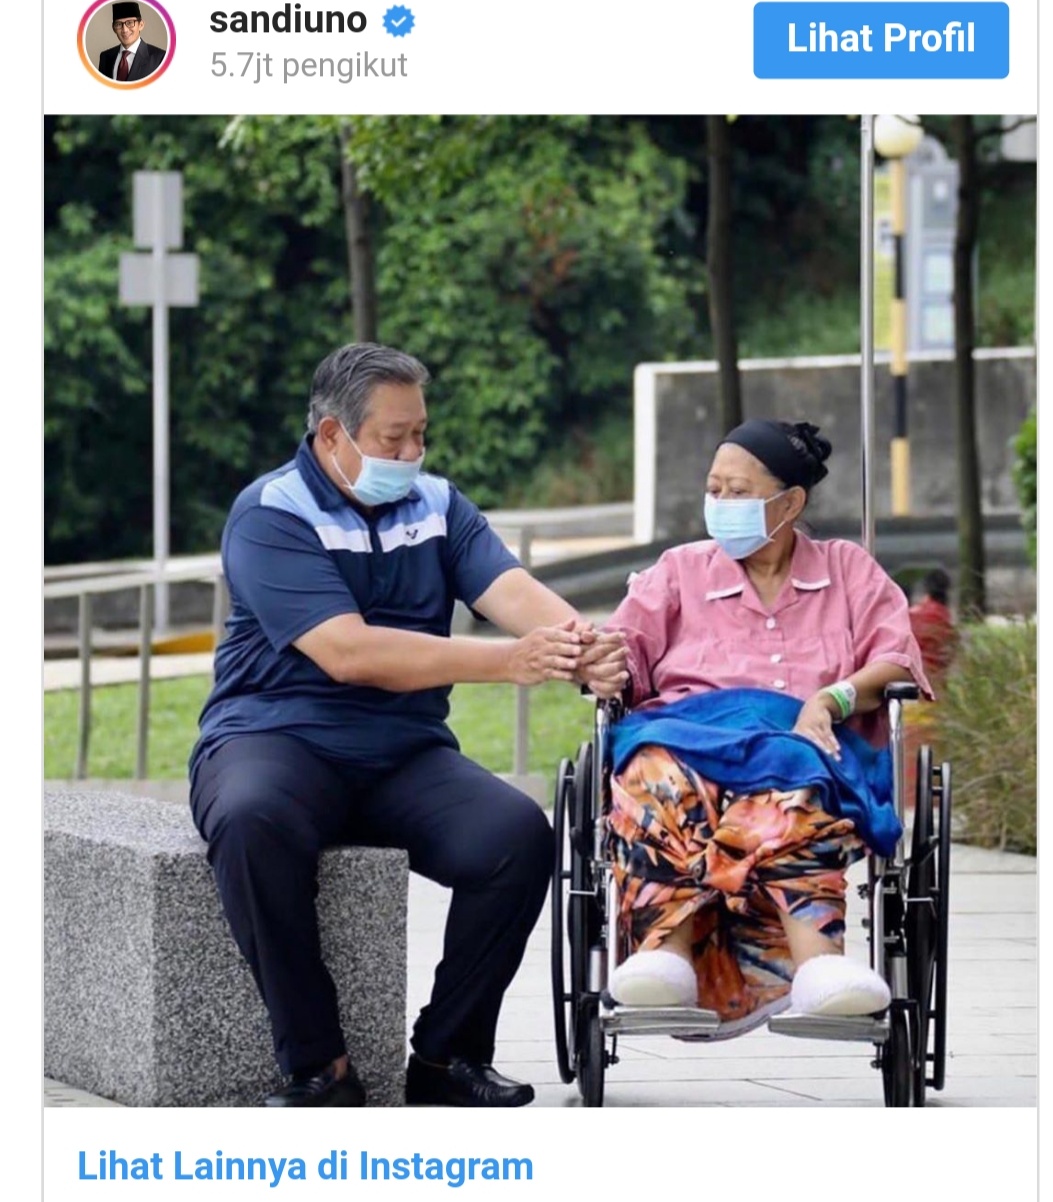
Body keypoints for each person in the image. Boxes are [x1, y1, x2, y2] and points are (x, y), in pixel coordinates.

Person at [189, 343, 626, 1108]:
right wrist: (510, 661)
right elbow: (349, 652)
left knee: (516, 836)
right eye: (393, 438)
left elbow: (510, 589)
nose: (412, 453)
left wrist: (581, 646)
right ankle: (319, 1067)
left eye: (420, 434)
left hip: (401, 752)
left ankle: (446, 1056)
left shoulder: (438, 505)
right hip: (273, 736)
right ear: (333, 435)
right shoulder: (271, 513)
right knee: (252, 820)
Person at [598, 418, 931, 1030]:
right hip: (689, 736)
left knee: (800, 776)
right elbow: (622, 650)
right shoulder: (679, 571)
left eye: (738, 492)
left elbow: (898, 660)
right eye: (714, 490)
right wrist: (600, 665)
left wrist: (831, 698)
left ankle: (819, 965)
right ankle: (665, 956)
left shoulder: (848, 570)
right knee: (650, 769)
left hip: (805, 743)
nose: (720, 504)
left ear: (790, 503)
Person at [908, 567, 959, 681]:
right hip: (936, 682)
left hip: (911, 677)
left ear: (926, 590)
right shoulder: (947, 623)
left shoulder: (911, 616)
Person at [97, 2, 166, 82]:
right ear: (114, 28)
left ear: (141, 25)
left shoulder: (159, 58)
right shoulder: (105, 57)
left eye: (130, 23)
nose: (124, 30)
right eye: (118, 24)